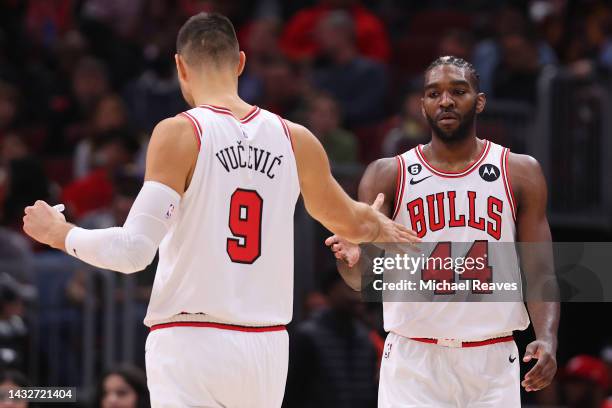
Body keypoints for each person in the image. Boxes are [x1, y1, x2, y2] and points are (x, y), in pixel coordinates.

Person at [21, 12, 416, 408]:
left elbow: (133, 251)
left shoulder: (180, 132)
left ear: (180, 66)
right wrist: (381, 225)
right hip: (266, 346)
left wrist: (60, 233)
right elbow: (353, 221)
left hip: (191, 339)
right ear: (241, 62)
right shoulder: (296, 139)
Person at [326, 55, 559, 407]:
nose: (446, 101)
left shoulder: (520, 172)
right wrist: (352, 258)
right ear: (422, 105)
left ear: (479, 101)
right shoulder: (387, 175)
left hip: (491, 357)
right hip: (413, 359)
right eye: (434, 93)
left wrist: (547, 337)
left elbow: (540, 269)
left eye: (458, 91)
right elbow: (362, 281)